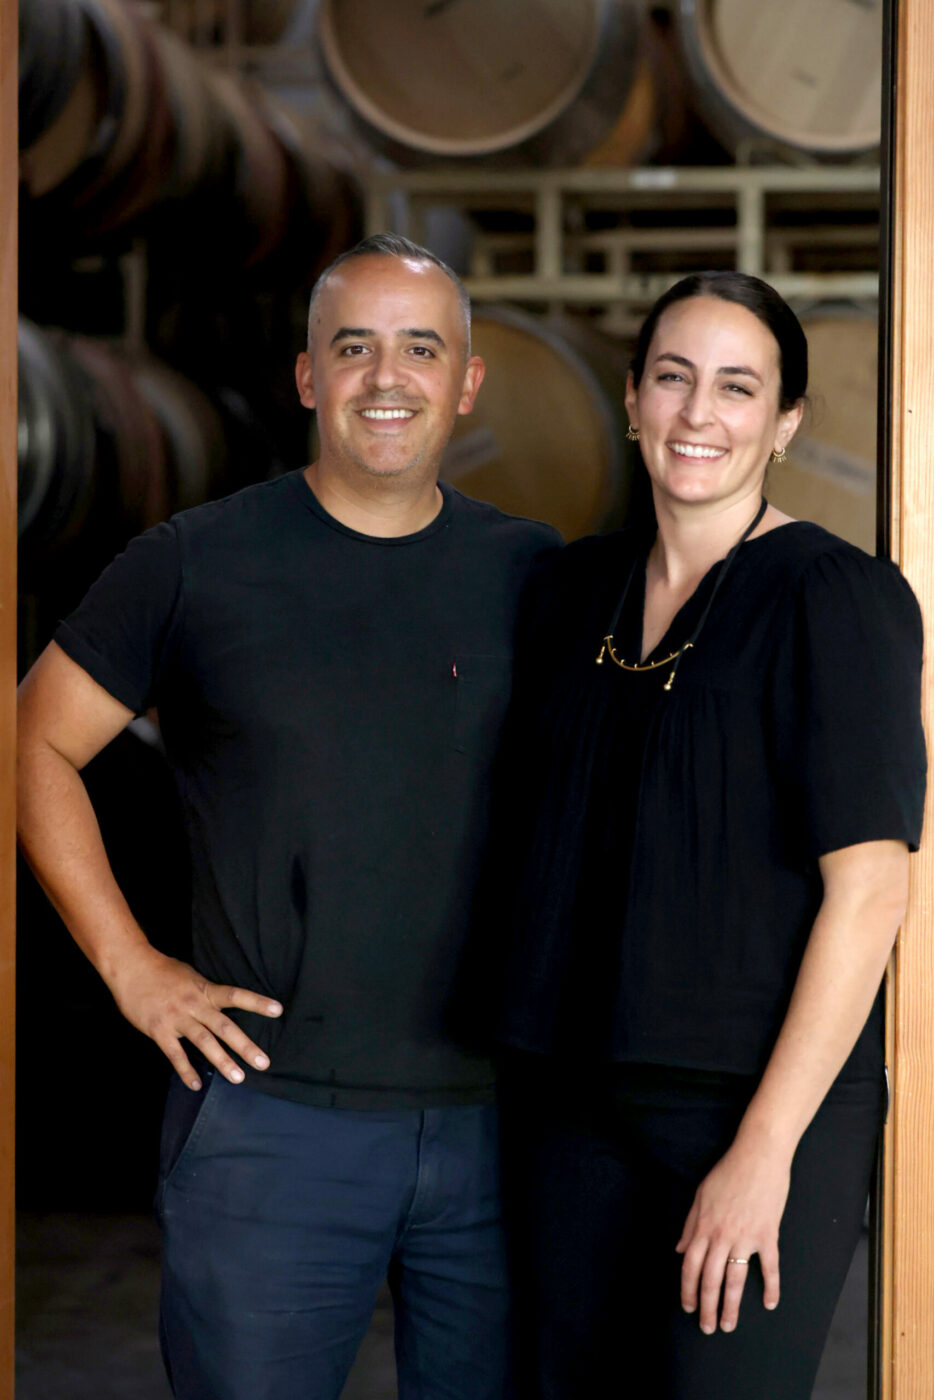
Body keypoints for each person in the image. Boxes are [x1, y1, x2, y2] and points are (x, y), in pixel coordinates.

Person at [16, 233, 560, 1400]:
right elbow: (37, 740)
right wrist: (129, 964)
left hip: (502, 1127)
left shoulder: (537, 577)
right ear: (306, 375)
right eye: (352, 346)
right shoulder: (196, 562)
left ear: (466, 382)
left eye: (420, 348)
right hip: (272, 1126)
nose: (386, 377)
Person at [494, 272, 926, 1400]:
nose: (699, 414)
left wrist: (762, 1150)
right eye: (674, 378)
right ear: (630, 398)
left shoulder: (834, 598)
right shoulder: (565, 589)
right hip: (568, 1102)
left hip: (743, 1109)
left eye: (738, 388)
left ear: (783, 423)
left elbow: (872, 889)